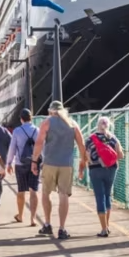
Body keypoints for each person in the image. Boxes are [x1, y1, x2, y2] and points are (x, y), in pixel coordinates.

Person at [31, 101, 87, 240]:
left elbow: (39, 143)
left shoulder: (47, 122)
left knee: (46, 193)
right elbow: (81, 144)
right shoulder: (72, 124)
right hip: (66, 164)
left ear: (51, 111)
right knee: (63, 195)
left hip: (49, 163)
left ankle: (48, 224)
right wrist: (82, 162)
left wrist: (34, 160)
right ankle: (62, 229)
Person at [83, 116, 126, 237]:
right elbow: (121, 155)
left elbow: (87, 156)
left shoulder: (90, 139)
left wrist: (94, 162)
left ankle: (104, 229)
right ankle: (107, 225)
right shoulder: (113, 138)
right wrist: (109, 160)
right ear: (108, 125)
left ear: (97, 125)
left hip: (96, 170)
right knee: (107, 195)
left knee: (99, 197)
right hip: (111, 169)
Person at [5, 109, 40, 226]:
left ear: (21, 119)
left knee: (21, 191)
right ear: (31, 118)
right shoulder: (37, 130)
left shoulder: (17, 131)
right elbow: (42, 147)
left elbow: (12, 148)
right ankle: (33, 218)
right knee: (33, 191)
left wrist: (9, 163)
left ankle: (20, 215)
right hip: (35, 163)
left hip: (20, 164)